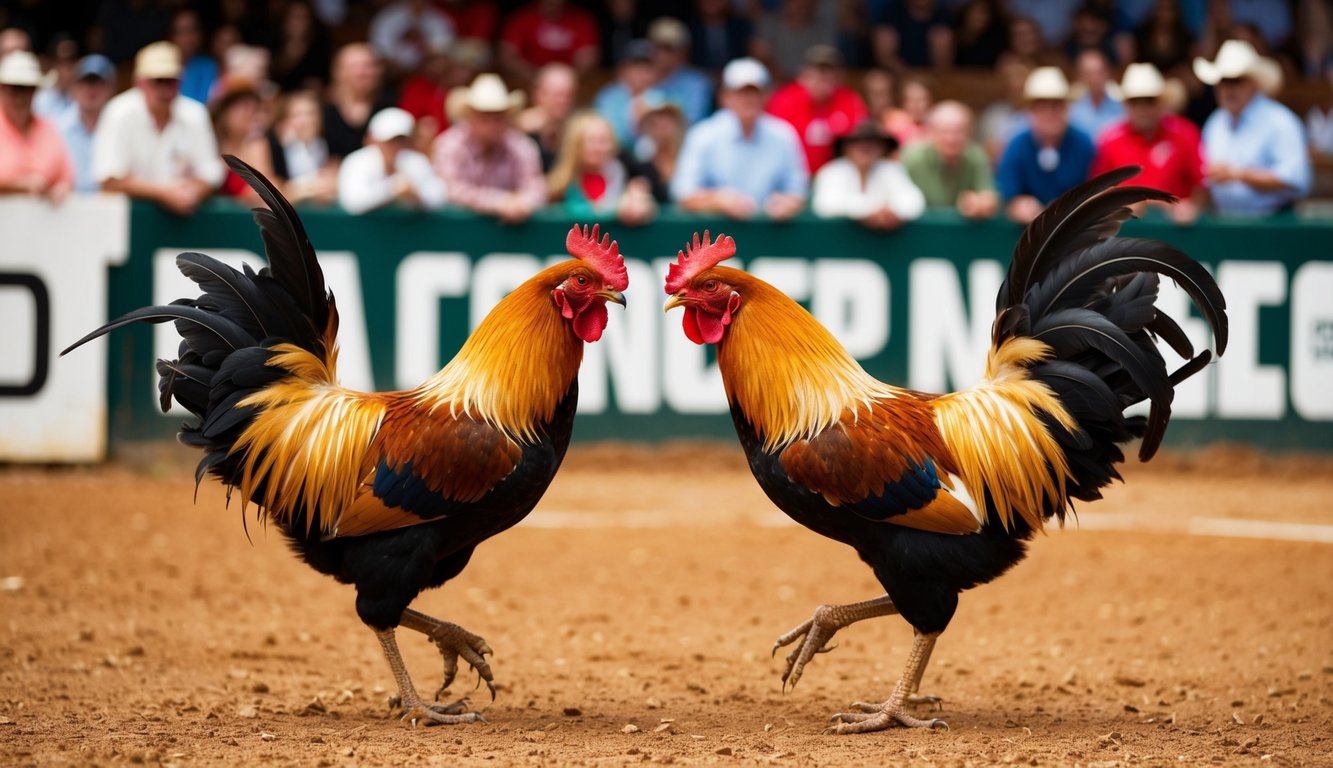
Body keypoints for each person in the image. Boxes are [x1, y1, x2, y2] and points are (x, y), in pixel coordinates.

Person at [91, 41, 223, 216]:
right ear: (139, 83)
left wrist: (189, 195)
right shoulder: (118, 113)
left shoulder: (195, 114)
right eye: (158, 81)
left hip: (183, 221)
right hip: (126, 221)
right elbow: (108, 179)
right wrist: (165, 194)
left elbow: (210, 174)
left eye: (171, 81)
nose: (165, 89)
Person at [671, 57, 808, 221]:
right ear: (725, 96)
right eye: (741, 93)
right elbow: (683, 192)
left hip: (770, 233)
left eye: (755, 92)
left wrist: (788, 203)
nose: (748, 99)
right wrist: (718, 200)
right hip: (716, 233)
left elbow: (798, 189)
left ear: (766, 95)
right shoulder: (703, 134)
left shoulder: (783, 135)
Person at [1195, 39, 1310, 216]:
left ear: (1254, 84)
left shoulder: (1280, 121)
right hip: (1225, 221)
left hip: (1273, 222)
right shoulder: (1215, 122)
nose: (1229, 89)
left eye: (1236, 81)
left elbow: (1295, 178)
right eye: (1224, 81)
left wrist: (1237, 175)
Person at [1091, 62, 1205, 224]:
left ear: (1162, 102)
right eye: (1135, 101)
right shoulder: (1110, 139)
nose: (1142, 108)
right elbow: (1097, 191)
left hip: (1176, 230)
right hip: (1125, 231)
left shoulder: (1185, 133)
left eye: (1149, 101)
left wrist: (1193, 206)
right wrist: (1123, 202)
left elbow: (1202, 184)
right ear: (1125, 104)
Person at [432, 72, 547, 224]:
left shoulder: (521, 146)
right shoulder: (450, 144)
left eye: (498, 116)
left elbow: (536, 189)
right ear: (470, 116)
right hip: (454, 233)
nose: (492, 124)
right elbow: (449, 188)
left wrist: (523, 204)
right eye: (485, 116)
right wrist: (499, 202)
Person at [996, 66, 1095, 224]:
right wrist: (1017, 204)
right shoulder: (1016, 145)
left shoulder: (1084, 144)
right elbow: (1007, 195)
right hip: (1027, 231)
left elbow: (1096, 191)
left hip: (1075, 228)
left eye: (1056, 105)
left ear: (1067, 108)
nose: (1050, 113)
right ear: (1030, 111)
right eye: (1042, 106)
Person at [765, 44, 869, 173]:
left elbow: (863, 140)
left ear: (838, 76)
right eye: (817, 71)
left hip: (838, 176)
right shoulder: (784, 100)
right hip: (792, 173)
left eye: (828, 71)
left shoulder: (850, 101)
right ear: (803, 74)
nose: (822, 76)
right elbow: (771, 142)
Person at [811, 118, 924, 230]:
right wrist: (868, 212)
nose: (865, 147)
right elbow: (825, 205)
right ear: (845, 147)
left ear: (883, 147)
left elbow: (914, 202)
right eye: (857, 142)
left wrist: (891, 213)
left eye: (873, 142)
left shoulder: (891, 170)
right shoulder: (832, 172)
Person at [546, 110, 655, 225]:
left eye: (603, 141)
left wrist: (640, 204)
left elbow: (646, 200)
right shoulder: (560, 184)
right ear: (576, 145)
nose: (598, 148)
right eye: (591, 141)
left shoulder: (623, 174)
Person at [339, 107, 446, 215]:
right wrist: (392, 189)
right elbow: (353, 202)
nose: (395, 146)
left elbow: (438, 198)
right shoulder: (356, 161)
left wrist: (416, 196)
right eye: (390, 141)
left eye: (401, 140)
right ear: (374, 139)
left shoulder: (417, 162)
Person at [902, 100, 999, 219]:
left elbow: (990, 196)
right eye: (945, 131)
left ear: (969, 133)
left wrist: (979, 203)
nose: (951, 138)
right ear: (931, 132)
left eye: (959, 131)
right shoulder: (912, 159)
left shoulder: (976, 156)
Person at [0, 50, 74, 203]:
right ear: (2, 89)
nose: (20, 98)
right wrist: (17, 186)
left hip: (41, 218)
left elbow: (67, 177)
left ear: (35, 91)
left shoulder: (48, 128)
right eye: (14, 89)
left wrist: (62, 187)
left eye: (27, 89)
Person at [498, 0, 600, 87]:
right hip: (528, 83)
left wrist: (564, 80)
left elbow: (588, 57)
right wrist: (536, 78)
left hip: (569, 85)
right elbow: (508, 56)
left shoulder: (581, 19)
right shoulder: (522, 17)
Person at [265, 89, 338, 205]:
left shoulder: (325, 145)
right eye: (298, 115)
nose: (306, 120)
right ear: (287, 119)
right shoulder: (275, 148)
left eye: (311, 113)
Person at [56, 54, 117, 193]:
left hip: (110, 203)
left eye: (99, 83)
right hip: (67, 202)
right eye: (85, 82)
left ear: (111, 88)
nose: (91, 90)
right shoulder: (57, 127)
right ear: (74, 88)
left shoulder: (120, 126)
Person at [322, 43, 393, 159]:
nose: (362, 73)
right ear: (338, 72)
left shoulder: (391, 106)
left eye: (368, 66)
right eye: (354, 66)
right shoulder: (321, 109)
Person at [592, 38, 663, 148]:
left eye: (647, 66)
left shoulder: (660, 99)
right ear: (623, 69)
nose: (642, 72)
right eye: (636, 65)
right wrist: (634, 121)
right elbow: (606, 136)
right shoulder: (608, 98)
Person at [211, 77, 272, 205]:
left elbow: (265, 193)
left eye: (253, 107)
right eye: (242, 106)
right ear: (224, 111)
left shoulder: (256, 145)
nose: (249, 113)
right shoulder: (210, 142)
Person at [647, 16, 713, 126]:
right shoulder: (640, 78)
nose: (663, 54)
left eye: (669, 49)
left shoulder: (697, 83)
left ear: (683, 51)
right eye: (659, 47)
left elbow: (693, 121)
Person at [516, 62, 578, 172]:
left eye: (569, 95)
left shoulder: (578, 130)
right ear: (538, 95)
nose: (563, 101)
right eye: (558, 95)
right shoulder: (519, 132)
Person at [623, 96, 686, 204]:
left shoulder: (690, 153)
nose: (661, 125)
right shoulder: (638, 161)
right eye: (654, 121)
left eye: (667, 118)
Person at [368, 0, 455, 77]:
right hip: (393, 72)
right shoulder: (388, 16)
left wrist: (424, 47)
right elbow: (380, 49)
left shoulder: (439, 18)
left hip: (426, 72)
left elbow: (443, 47)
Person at [1068, 48, 1125, 141]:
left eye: (1099, 73)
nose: (1094, 78)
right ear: (1079, 76)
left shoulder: (1122, 108)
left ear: (1108, 73)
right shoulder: (1071, 111)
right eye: (1088, 74)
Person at [169, 8, 217, 105]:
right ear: (171, 36)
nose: (188, 37)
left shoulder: (207, 65)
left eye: (192, 30)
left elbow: (204, 102)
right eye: (182, 31)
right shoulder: (163, 64)